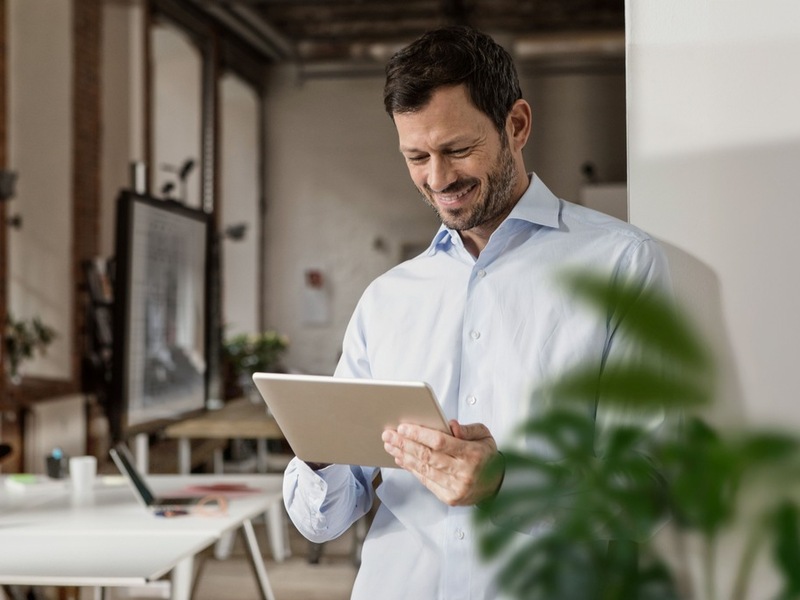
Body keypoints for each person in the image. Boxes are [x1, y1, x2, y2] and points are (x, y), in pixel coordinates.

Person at [283, 25, 671, 599]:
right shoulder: (388, 298)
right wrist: (318, 452)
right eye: (417, 157)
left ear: (517, 125)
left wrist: (506, 483)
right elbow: (324, 520)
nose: (438, 179)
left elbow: (648, 492)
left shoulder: (620, 264)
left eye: (458, 150)